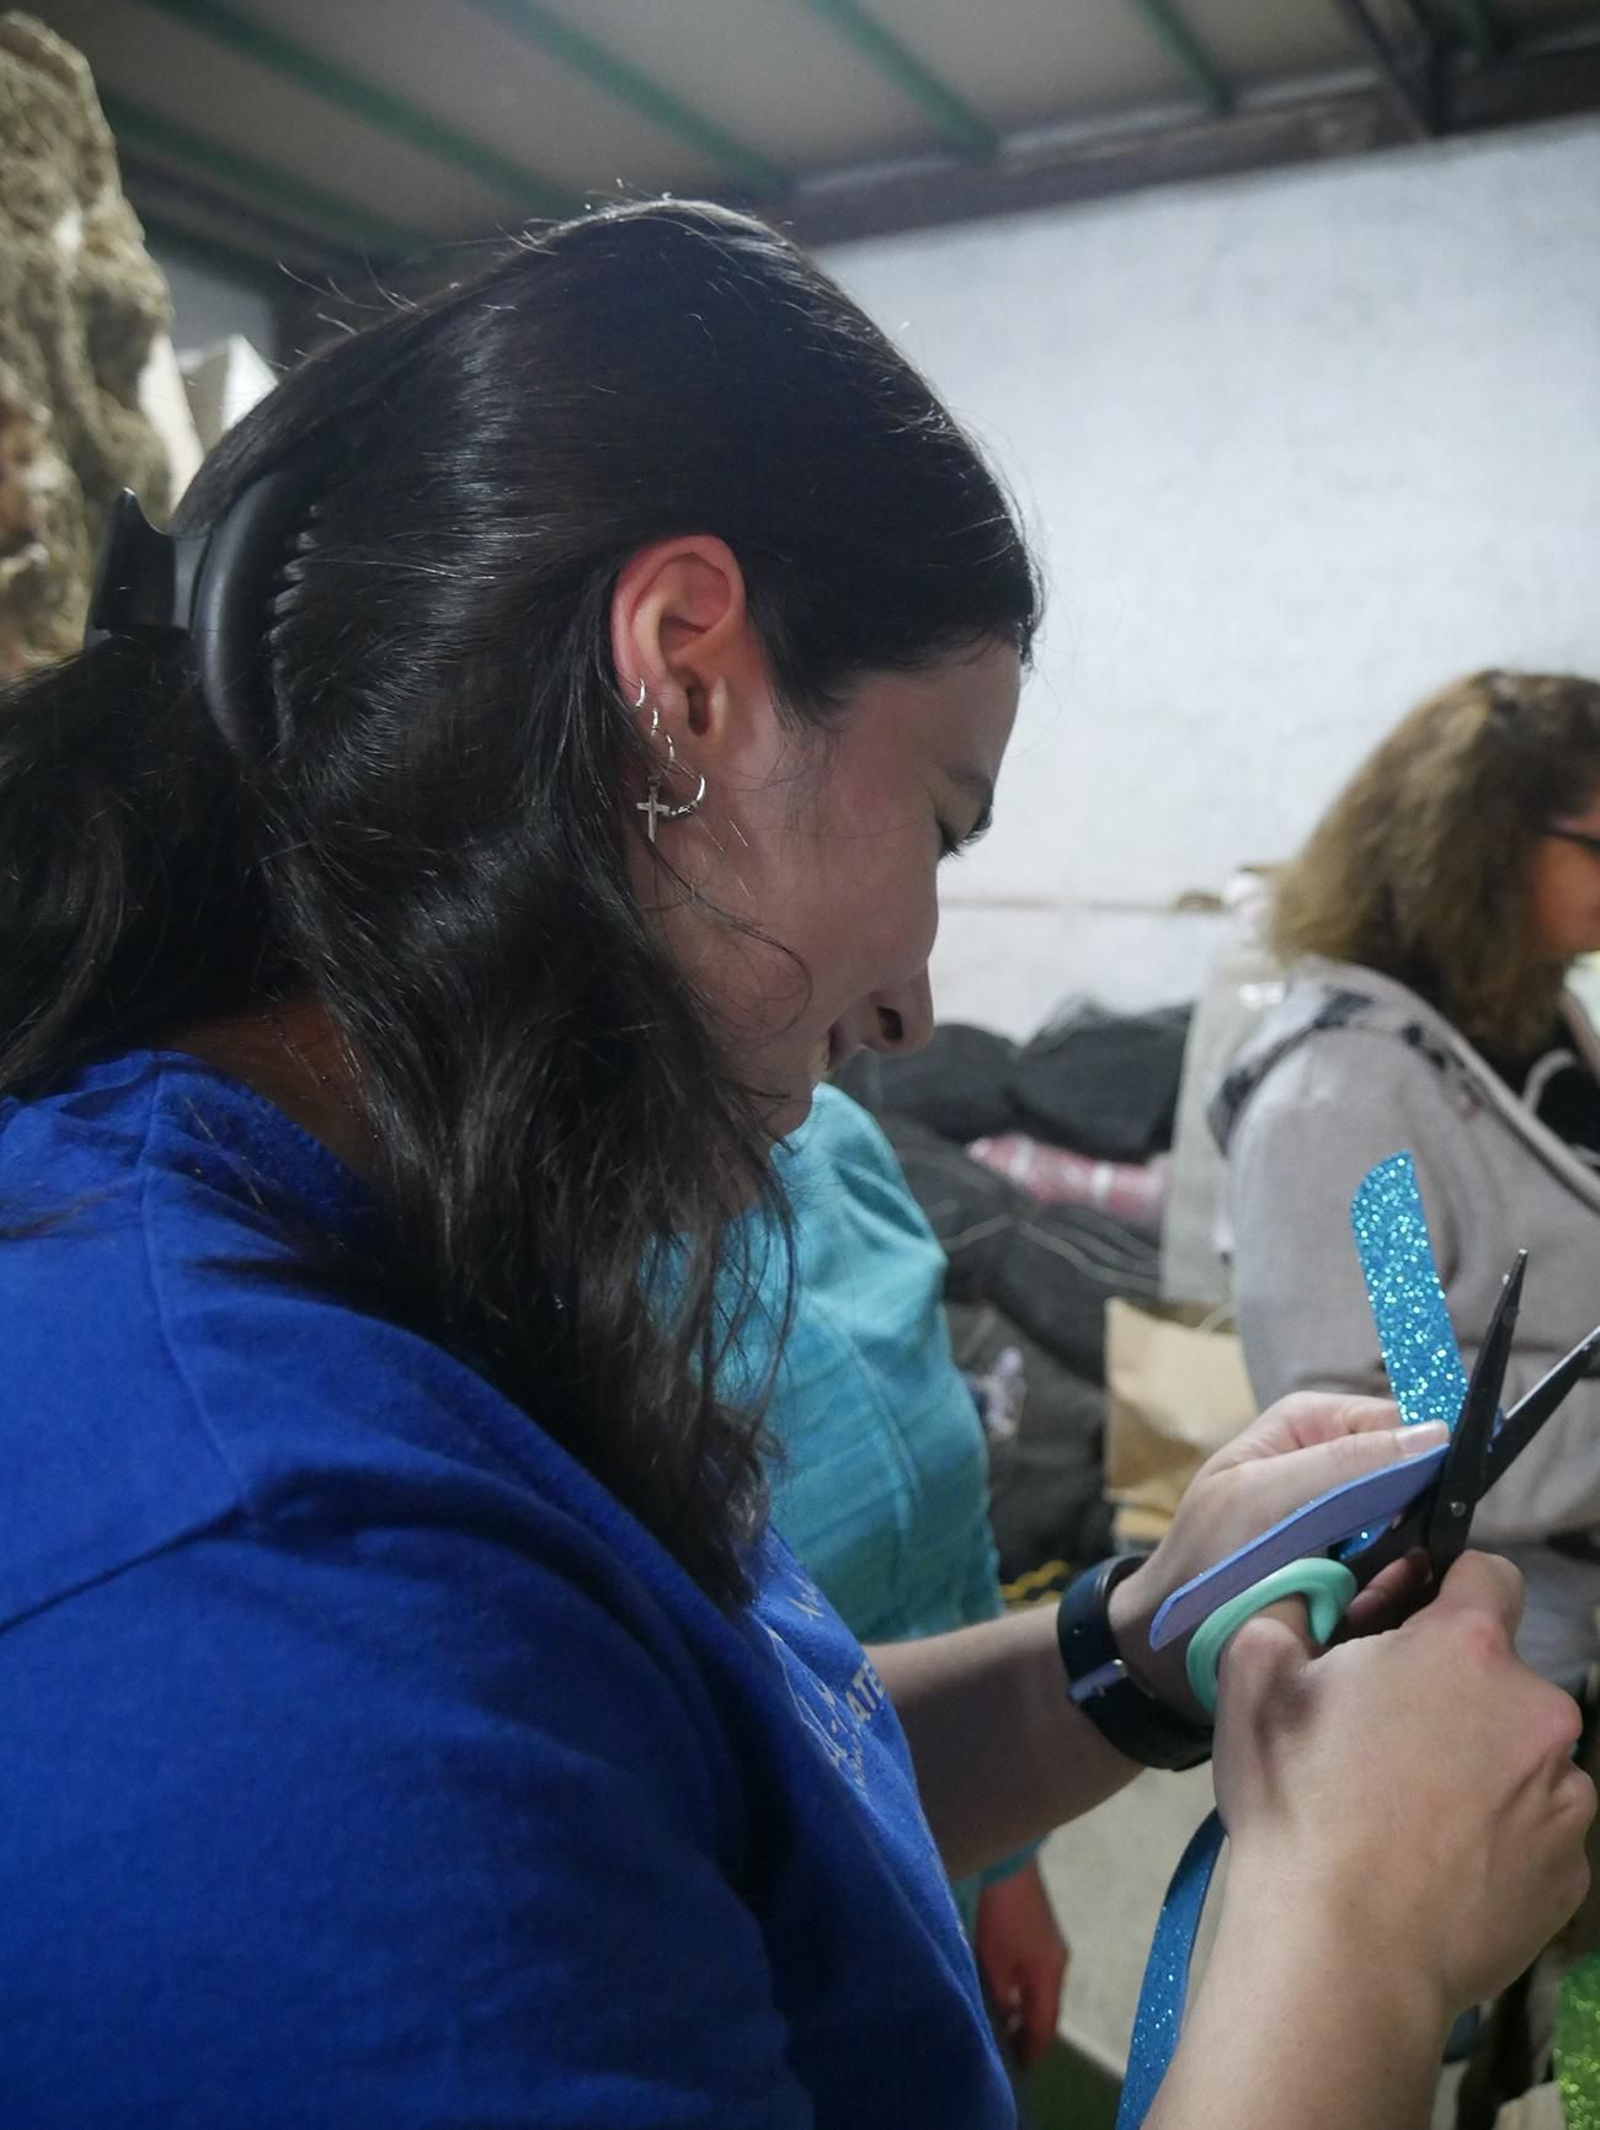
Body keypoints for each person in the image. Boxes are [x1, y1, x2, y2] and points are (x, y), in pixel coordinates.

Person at [0, 205, 1588, 2129]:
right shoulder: (262, 1598)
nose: (918, 1003)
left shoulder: (416, 1246)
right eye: (942, 816)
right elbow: (1420, 1388)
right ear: (684, 674)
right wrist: (1356, 1935)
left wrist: (1126, 1650)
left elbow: (705, 1768)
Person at [1217, 669, 1600, 1689]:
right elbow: (1391, 1410)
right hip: (1485, 1647)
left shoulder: (1530, 1016)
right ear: (1483, 847)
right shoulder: (1343, 1101)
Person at [755, 1083, 1069, 2075]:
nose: (908, 1019)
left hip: (944, 1861)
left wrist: (1008, 1866)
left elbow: (952, 1552)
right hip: (778, 1942)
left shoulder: (829, 1136)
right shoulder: (530, 1256)